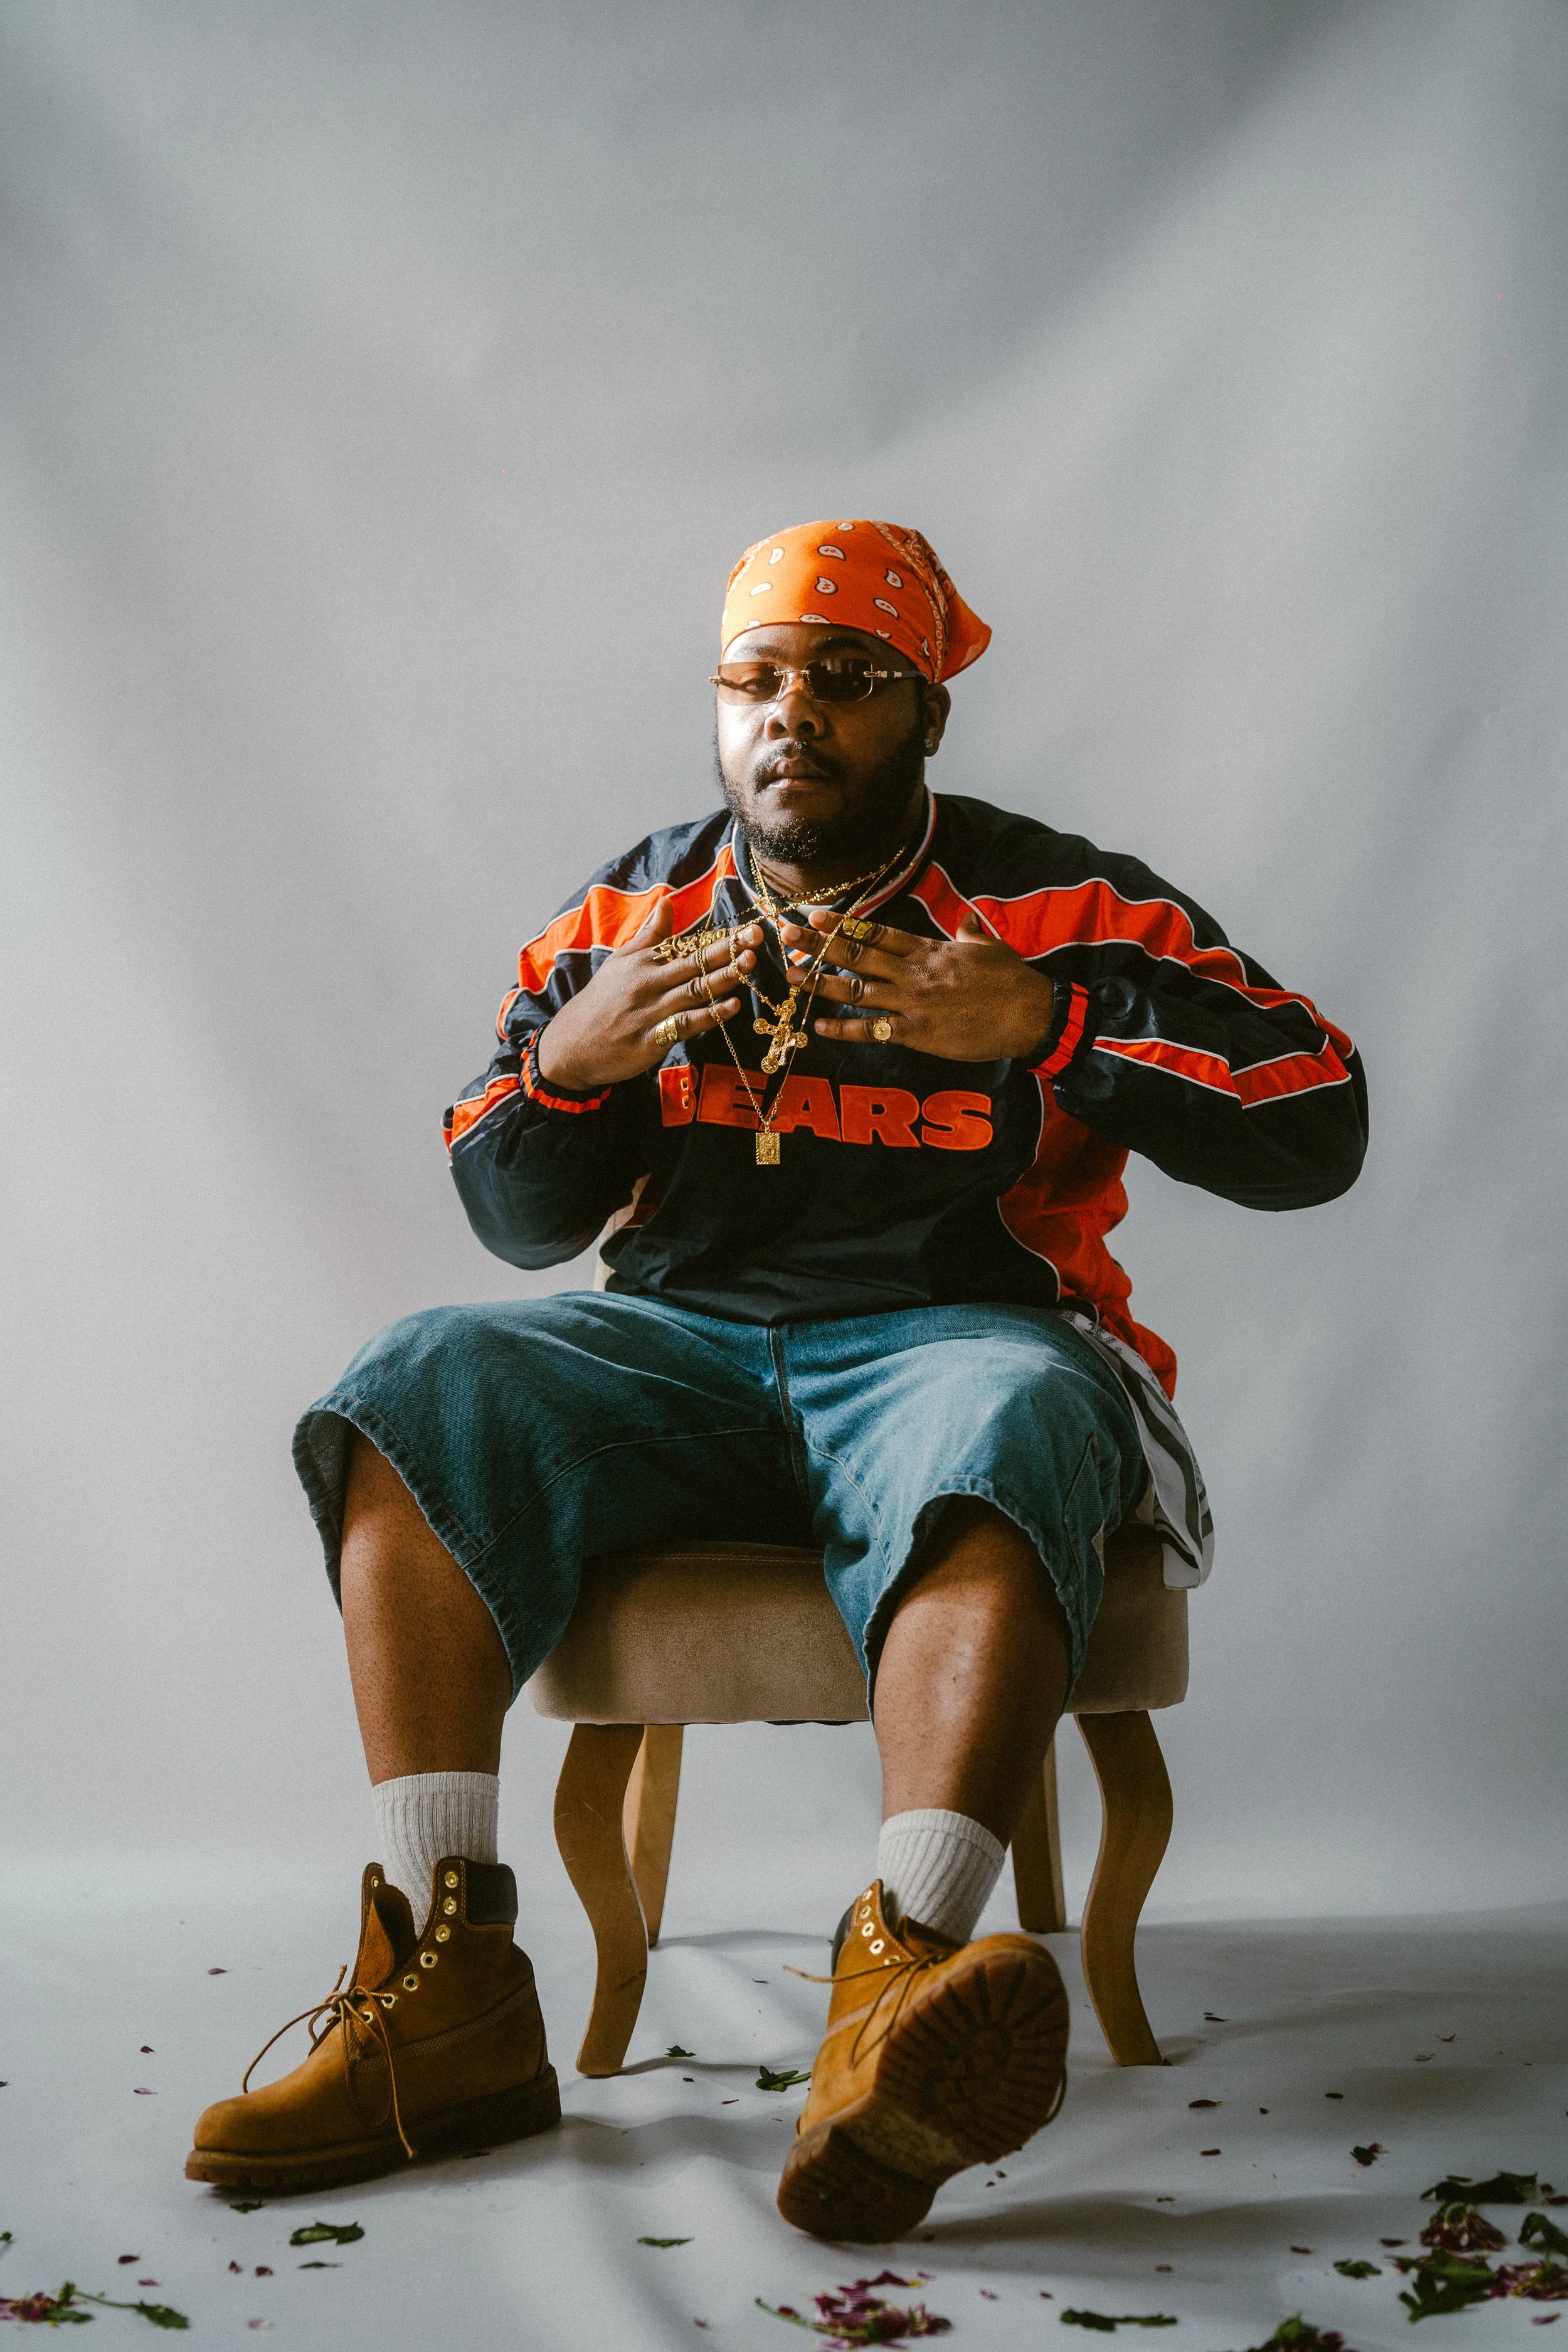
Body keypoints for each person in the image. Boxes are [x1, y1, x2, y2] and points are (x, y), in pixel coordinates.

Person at [186, 519, 1367, 2240]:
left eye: (845, 677)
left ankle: (895, 1981)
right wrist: (574, 1069)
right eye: (754, 679)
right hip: (677, 1354)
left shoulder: (1058, 904)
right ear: (718, 708)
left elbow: (1315, 1119)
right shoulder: (627, 915)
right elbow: (515, 1219)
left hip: (963, 1345)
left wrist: (1050, 1022)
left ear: (927, 716)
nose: (790, 713)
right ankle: (443, 1985)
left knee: (1020, 1411)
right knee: (417, 1374)